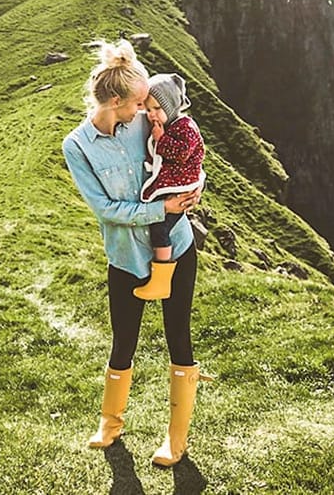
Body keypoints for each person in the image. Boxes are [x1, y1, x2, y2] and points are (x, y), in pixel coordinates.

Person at [61, 39, 208, 468]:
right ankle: (111, 423)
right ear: (114, 102)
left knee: (178, 336)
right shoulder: (78, 146)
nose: (145, 110)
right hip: (126, 256)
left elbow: (185, 147)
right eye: (138, 103)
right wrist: (160, 208)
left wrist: (197, 186)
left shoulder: (147, 120)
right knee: (123, 340)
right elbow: (105, 210)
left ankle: (175, 439)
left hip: (177, 246)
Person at [132, 73, 206, 301]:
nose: (151, 114)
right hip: (175, 185)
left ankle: (161, 280)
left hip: (179, 187)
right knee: (161, 224)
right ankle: (160, 275)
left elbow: (182, 154)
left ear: (171, 106)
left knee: (160, 227)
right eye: (148, 109)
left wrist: (161, 139)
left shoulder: (185, 127)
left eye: (156, 108)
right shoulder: (171, 124)